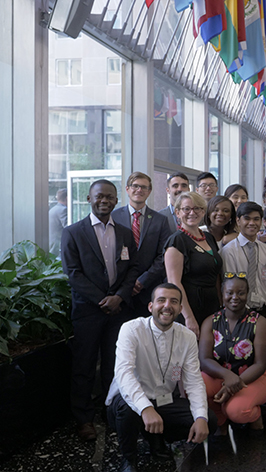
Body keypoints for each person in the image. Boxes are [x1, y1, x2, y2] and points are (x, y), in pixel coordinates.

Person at [61, 179, 140, 441]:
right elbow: (73, 274)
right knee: (84, 367)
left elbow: (133, 270)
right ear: (88, 199)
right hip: (88, 310)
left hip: (119, 310)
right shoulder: (73, 232)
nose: (104, 200)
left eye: (109, 196)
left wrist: (118, 297)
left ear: (116, 200)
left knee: (114, 365)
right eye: (99, 196)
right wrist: (102, 299)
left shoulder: (126, 233)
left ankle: (111, 412)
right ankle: (84, 420)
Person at [106, 283, 215, 472]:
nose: (167, 306)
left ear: (180, 309)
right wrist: (146, 408)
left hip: (164, 400)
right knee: (128, 409)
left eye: (174, 301)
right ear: (151, 306)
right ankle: (129, 458)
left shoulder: (187, 336)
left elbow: (194, 381)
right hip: (127, 401)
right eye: (161, 300)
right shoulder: (131, 329)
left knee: (209, 420)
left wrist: (200, 417)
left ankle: (156, 437)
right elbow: (124, 375)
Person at [199, 275, 266, 432]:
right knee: (196, 387)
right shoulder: (211, 321)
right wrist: (227, 376)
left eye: (240, 293)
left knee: (237, 411)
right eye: (229, 293)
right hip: (221, 375)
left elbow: (260, 364)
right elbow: (204, 359)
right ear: (222, 294)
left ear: (247, 294)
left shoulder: (259, 323)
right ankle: (221, 420)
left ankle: (254, 416)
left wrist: (231, 385)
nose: (235, 297)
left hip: (253, 377)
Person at [112, 172, 173, 316]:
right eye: (135, 186)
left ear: (149, 192)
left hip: (149, 289)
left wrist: (142, 280)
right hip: (119, 289)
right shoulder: (113, 217)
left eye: (144, 187)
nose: (139, 190)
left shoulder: (160, 220)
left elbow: (163, 255)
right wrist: (128, 283)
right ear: (127, 189)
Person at [164, 191, 223, 337]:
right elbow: (174, 282)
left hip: (211, 305)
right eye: (186, 209)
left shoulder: (208, 237)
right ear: (177, 212)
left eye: (197, 208)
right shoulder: (177, 241)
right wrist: (188, 317)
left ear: (203, 212)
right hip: (189, 307)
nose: (192, 212)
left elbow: (215, 274)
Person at [220, 202, 266, 322]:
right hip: (238, 313)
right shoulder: (229, 251)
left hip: (263, 312)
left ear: (262, 222)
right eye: (247, 218)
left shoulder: (265, 249)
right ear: (238, 221)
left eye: (256, 219)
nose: (252, 223)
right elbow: (230, 287)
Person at [49, 188, 67, 253]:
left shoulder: (53, 209)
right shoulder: (63, 210)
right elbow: (68, 227)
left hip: (53, 244)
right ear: (67, 198)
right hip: (58, 246)